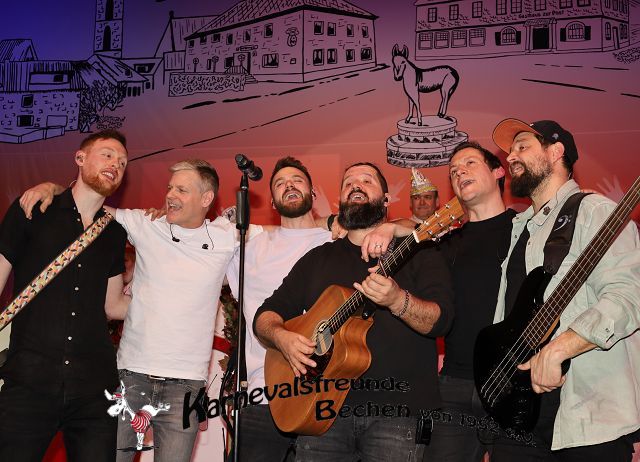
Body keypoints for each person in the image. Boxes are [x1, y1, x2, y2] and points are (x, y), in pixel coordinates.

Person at [254, 162, 454, 461]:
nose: (356, 185)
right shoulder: (317, 259)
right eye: (348, 182)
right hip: (320, 411)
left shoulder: (420, 250)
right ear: (340, 201)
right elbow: (266, 315)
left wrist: (397, 301)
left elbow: (441, 322)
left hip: (398, 412)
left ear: (386, 199)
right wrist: (282, 338)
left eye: (367, 180)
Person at [491, 118, 640, 460]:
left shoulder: (596, 212)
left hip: (586, 415)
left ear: (556, 151)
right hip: (517, 416)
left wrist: (558, 349)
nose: (510, 156)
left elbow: (628, 295)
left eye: (522, 146)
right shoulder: (519, 228)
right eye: (510, 150)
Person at [0, 130, 130, 462]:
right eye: (107, 154)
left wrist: (176, 298)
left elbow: (114, 305)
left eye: (122, 162)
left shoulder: (115, 232)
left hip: (95, 390)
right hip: (29, 381)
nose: (115, 164)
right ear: (80, 158)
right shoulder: (34, 207)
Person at [226, 156, 333, 462]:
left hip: (326, 395)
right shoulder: (249, 247)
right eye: (280, 184)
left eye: (297, 180)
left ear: (313, 193)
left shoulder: (335, 242)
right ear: (272, 202)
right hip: (264, 395)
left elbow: (402, 229)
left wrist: (335, 222)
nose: (289, 186)